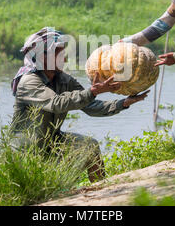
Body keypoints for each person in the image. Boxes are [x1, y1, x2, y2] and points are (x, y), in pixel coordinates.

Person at [10, 27, 149, 182]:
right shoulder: (28, 82)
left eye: (62, 53)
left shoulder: (64, 80)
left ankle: (101, 190)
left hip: (52, 142)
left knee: (89, 146)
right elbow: (57, 103)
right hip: (27, 151)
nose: (63, 58)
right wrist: (93, 92)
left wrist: (123, 103)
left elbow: (90, 106)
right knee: (57, 180)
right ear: (42, 57)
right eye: (58, 54)